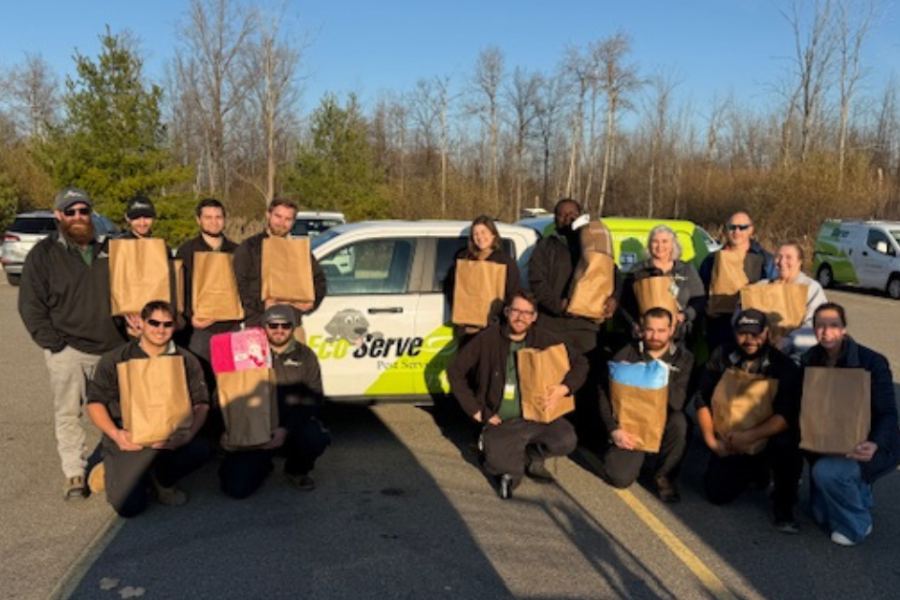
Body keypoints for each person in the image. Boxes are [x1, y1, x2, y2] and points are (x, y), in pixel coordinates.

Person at [18, 187, 127, 499]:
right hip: (69, 350)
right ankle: (75, 473)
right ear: (59, 216)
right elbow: (30, 305)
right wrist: (54, 345)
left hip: (111, 347)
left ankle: (116, 466)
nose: (78, 217)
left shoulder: (110, 249)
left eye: (84, 211)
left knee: (118, 411)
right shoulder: (43, 255)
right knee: (68, 413)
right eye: (71, 211)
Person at [447, 290, 588, 499]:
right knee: (504, 471)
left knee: (565, 439)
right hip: (499, 420)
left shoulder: (545, 339)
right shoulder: (487, 338)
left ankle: (531, 456)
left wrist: (563, 389)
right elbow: (455, 372)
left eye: (527, 313)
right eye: (516, 311)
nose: (521, 317)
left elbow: (581, 363)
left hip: (537, 417)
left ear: (534, 316)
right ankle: (495, 450)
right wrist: (476, 410)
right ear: (506, 311)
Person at [86, 301, 211, 517]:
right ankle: (113, 468)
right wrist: (116, 435)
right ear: (141, 323)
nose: (160, 329)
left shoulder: (187, 360)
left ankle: (162, 479)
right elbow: (95, 402)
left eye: (167, 324)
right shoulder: (115, 359)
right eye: (154, 322)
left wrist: (188, 435)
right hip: (129, 438)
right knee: (130, 507)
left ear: (175, 326)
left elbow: (201, 403)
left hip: (170, 437)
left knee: (201, 449)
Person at [694, 308, 803, 532]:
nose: (749, 340)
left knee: (788, 444)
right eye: (743, 333)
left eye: (756, 334)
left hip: (765, 437)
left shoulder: (783, 366)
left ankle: (784, 507)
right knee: (716, 494)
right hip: (730, 439)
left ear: (767, 333)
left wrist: (749, 436)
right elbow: (702, 398)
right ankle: (755, 472)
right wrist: (712, 442)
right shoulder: (722, 355)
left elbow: (786, 416)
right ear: (734, 333)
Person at [801, 303, 900, 546]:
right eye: (820, 326)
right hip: (825, 446)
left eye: (833, 325)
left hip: (866, 446)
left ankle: (858, 522)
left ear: (844, 328)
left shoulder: (872, 362)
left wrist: (874, 443)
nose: (826, 332)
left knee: (826, 473)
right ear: (813, 330)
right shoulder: (809, 359)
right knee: (820, 515)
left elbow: (888, 412)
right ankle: (857, 493)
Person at [219, 305, 331, 498]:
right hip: (253, 430)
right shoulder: (245, 354)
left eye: (285, 325)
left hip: (288, 429)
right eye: (273, 325)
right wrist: (227, 430)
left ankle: (296, 470)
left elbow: (313, 398)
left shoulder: (306, 355)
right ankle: (263, 464)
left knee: (314, 437)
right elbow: (225, 394)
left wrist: (285, 429)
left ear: (293, 327)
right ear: (264, 327)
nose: (279, 330)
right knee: (235, 488)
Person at [597, 307, 694, 502]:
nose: (655, 336)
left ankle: (663, 474)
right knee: (619, 478)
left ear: (671, 331)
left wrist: (659, 374)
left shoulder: (684, 358)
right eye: (649, 330)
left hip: (662, 422)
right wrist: (613, 430)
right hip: (631, 424)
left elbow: (678, 403)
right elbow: (604, 395)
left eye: (661, 330)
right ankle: (634, 457)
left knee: (681, 422)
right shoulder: (625, 354)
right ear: (641, 329)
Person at [528, 198, 618, 357]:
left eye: (572, 214)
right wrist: (558, 306)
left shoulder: (594, 244)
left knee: (586, 376)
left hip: (586, 327)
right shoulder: (545, 247)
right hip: (552, 326)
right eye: (561, 215)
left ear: (581, 216)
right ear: (555, 220)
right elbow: (537, 282)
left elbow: (613, 275)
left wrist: (614, 299)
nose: (568, 218)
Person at [233, 198, 327, 328]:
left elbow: (319, 280)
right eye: (278, 216)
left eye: (287, 219)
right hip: (258, 323)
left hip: (291, 323)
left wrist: (312, 302)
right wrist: (261, 305)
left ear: (293, 222)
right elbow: (238, 284)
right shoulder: (250, 247)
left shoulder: (298, 250)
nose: (282, 223)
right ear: (268, 215)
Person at [174, 198, 241, 370]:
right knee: (200, 377)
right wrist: (190, 317)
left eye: (218, 217)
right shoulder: (187, 250)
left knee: (228, 379)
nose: (214, 222)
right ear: (199, 220)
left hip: (229, 326)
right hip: (199, 329)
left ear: (225, 219)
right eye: (208, 217)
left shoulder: (237, 251)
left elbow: (244, 287)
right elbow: (179, 289)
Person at [699, 211, 775, 352]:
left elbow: (774, 290)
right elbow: (701, 290)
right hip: (719, 324)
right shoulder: (712, 260)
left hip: (752, 325)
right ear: (726, 229)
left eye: (742, 227)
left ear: (751, 229)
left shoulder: (765, 259)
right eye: (732, 227)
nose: (737, 231)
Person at [444, 215, 521, 346]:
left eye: (484, 232)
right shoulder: (464, 258)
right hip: (467, 328)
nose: (480, 237)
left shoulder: (504, 261)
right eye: (475, 234)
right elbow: (450, 286)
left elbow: (513, 293)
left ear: (493, 235)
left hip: (493, 328)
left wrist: (501, 318)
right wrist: (458, 308)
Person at [622, 225, 705, 343]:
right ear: (650, 245)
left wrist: (685, 315)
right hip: (647, 336)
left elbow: (699, 300)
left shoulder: (687, 270)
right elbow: (625, 303)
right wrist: (633, 324)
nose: (660, 246)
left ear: (673, 245)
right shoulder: (638, 270)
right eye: (655, 241)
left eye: (665, 241)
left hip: (679, 336)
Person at [744, 242, 827, 358]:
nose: (782, 262)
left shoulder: (812, 288)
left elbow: (814, 325)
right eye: (779, 257)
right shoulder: (762, 286)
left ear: (800, 262)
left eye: (788, 257)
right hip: (762, 351)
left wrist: (790, 340)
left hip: (799, 354)